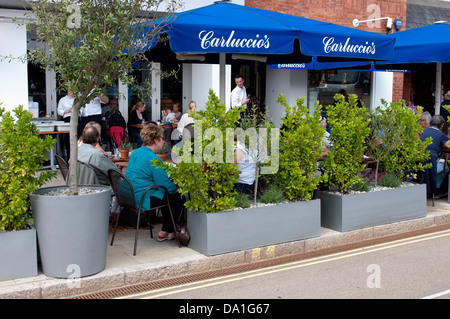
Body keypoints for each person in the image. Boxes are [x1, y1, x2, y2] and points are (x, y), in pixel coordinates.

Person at [124, 124, 184, 241]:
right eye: (162, 138)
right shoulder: (154, 159)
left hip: (128, 195)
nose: (163, 141)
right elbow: (165, 184)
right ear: (156, 140)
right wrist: (177, 188)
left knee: (166, 195)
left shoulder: (136, 152)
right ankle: (166, 230)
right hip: (141, 197)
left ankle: (169, 231)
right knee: (176, 196)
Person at [420, 115, 450, 195]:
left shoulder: (423, 132)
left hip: (418, 160)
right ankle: (436, 191)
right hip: (430, 161)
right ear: (442, 125)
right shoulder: (441, 135)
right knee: (446, 167)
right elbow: (448, 145)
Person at [57, 90, 76, 161]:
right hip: (67, 118)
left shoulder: (76, 99)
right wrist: (67, 111)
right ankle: (69, 159)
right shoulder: (63, 100)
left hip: (76, 118)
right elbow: (59, 111)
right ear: (68, 91)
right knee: (69, 140)